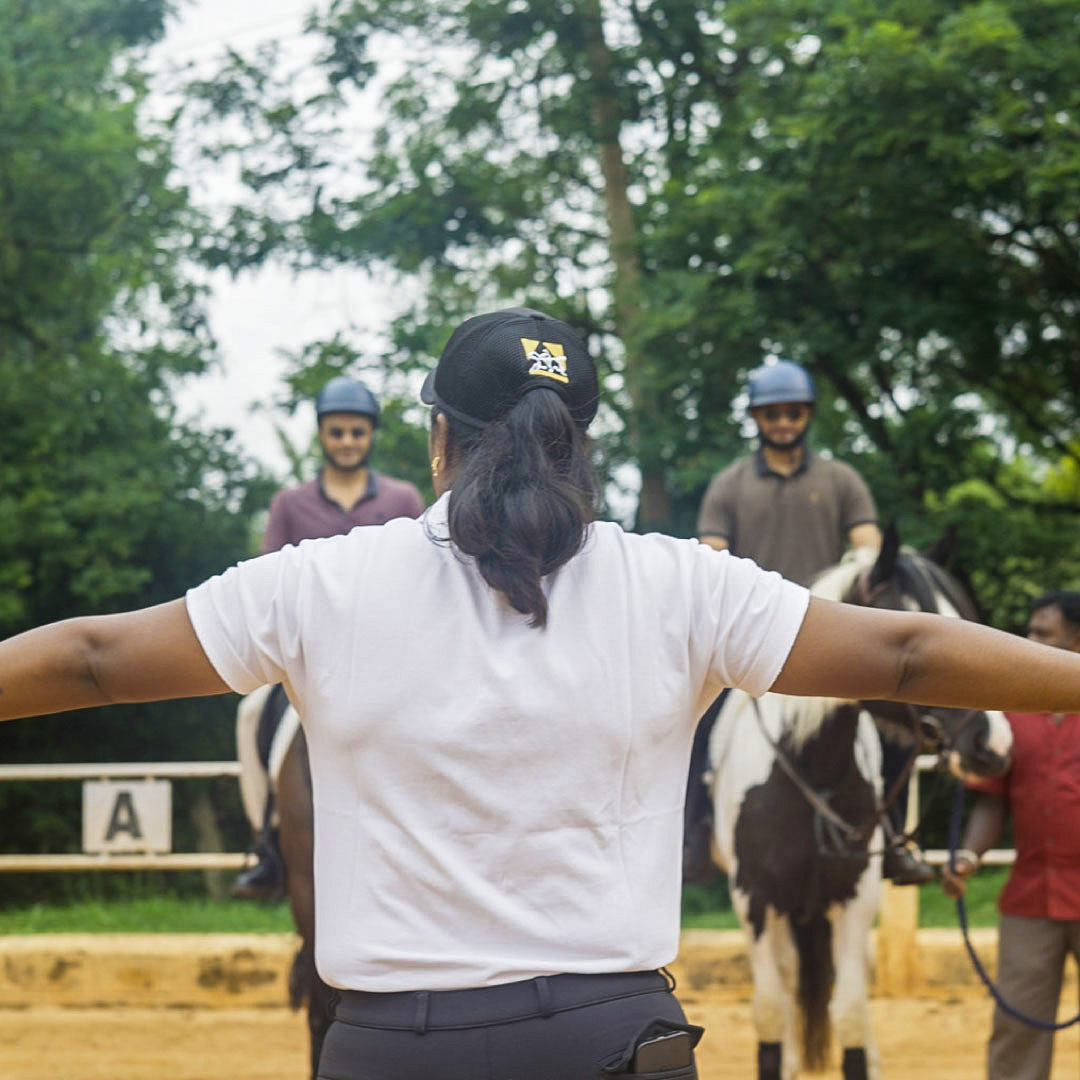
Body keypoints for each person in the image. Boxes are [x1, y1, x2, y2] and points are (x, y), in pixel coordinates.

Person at [3, 306, 1080, 1080]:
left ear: (435, 441)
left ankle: (259, 851)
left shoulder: (320, 584)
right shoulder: (682, 584)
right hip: (612, 1039)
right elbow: (904, 654)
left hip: (391, 1050)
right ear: (584, 449)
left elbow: (95, 657)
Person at [689, 359, 933, 886]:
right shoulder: (728, 485)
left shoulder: (840, 479)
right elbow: (711, 556)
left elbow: (867, 546)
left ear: (808, 415)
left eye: (792, 412)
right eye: (772, 413)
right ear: (756, 417)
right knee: (697, 723)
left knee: (899, 722)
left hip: (826, 636)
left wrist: (863, 580)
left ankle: (892, 839)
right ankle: (694, 836)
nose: (783, 421)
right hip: (750, 638)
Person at [231, 375, 425, 900]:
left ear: (370, 436)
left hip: (387, 651)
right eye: (337, 432)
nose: (346, 441)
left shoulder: (404, 499)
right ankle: (265, 843)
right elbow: (269, 577)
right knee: (250, 714)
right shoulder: (290, 504)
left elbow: (425, 577)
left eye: (356, 432)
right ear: (322, 435)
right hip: (310, 656)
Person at [942, 590, 1080, 1080]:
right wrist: (969, 859)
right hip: (1031, 900)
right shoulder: (1013, 714)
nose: (1030, 642)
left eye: (1044, 634)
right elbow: (992, 799)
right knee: (1017, 1027)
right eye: (1030, 631)